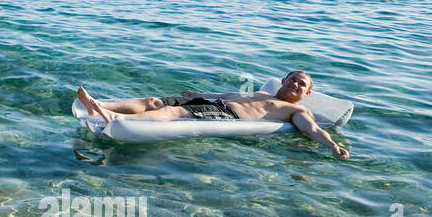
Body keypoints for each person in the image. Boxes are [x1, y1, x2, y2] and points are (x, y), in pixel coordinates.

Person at [76, 71, 350, 158]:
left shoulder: (296, 109)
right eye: (292, 79)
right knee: (154, 100)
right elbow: (232, 93)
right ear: (282, 81)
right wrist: (200, 94)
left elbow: (312, 130)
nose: (295, 84)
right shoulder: (265, 94)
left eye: (302, 84)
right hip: (208, 99)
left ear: (307, 94)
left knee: (172, 112)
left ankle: (114, 119)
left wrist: (333, 146)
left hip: (224, 113)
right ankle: (101, 105)